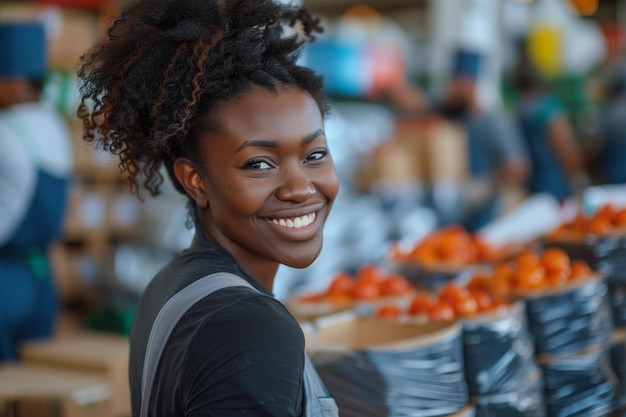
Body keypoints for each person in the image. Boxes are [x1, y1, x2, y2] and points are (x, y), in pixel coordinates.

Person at [76, 0, 340, 416]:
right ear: (194, 180)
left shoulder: (171, 283)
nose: (300, 188)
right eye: (259, 164)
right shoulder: (252, 328)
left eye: (314, 154)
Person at [0, 22, 74, 361]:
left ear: (13, 80)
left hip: (6, 282)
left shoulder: (6, 131)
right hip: (43, 280)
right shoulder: (55, 127)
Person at [438, 49, 530, 231]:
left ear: (470, 84)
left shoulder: (493, 122)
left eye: (457, 82)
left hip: (491, 211)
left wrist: (486, 187)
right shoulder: (456, 119)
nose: (450, 89)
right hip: (460, 213)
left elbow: (519, 167)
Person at [513, 60, 590, 202]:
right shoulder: (547, 107)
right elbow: (564, 144)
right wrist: (578, 176)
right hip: (555, 184)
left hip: (532, 187)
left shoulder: (519, 110)